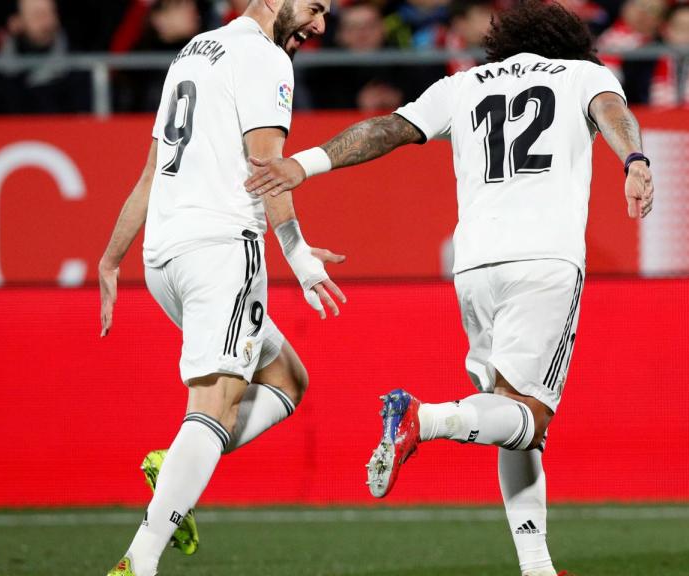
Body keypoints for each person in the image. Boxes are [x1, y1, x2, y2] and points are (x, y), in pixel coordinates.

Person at [244, 3, 654, 575]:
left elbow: (386, 129)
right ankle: (425, 418)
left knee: (508, 416)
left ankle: (536, 566)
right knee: (530, 417)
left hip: (475, 265)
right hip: (545, 258)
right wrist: (634, 159)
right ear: (568, 43)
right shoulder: (582, 73)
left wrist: (305, 165)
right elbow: (613, 110)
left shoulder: (463, 84)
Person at [96, 0, 342, 573]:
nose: (320, 26)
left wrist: (111, 258)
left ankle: (178, 467)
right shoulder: (265, 57)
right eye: (315, 7)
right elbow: (267, 168)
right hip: (220, 250)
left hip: (164, 257)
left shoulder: (193, 51)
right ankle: (139, 562)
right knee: (214, 407)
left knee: (287, 379)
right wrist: (299, 256)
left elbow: (153, 170)